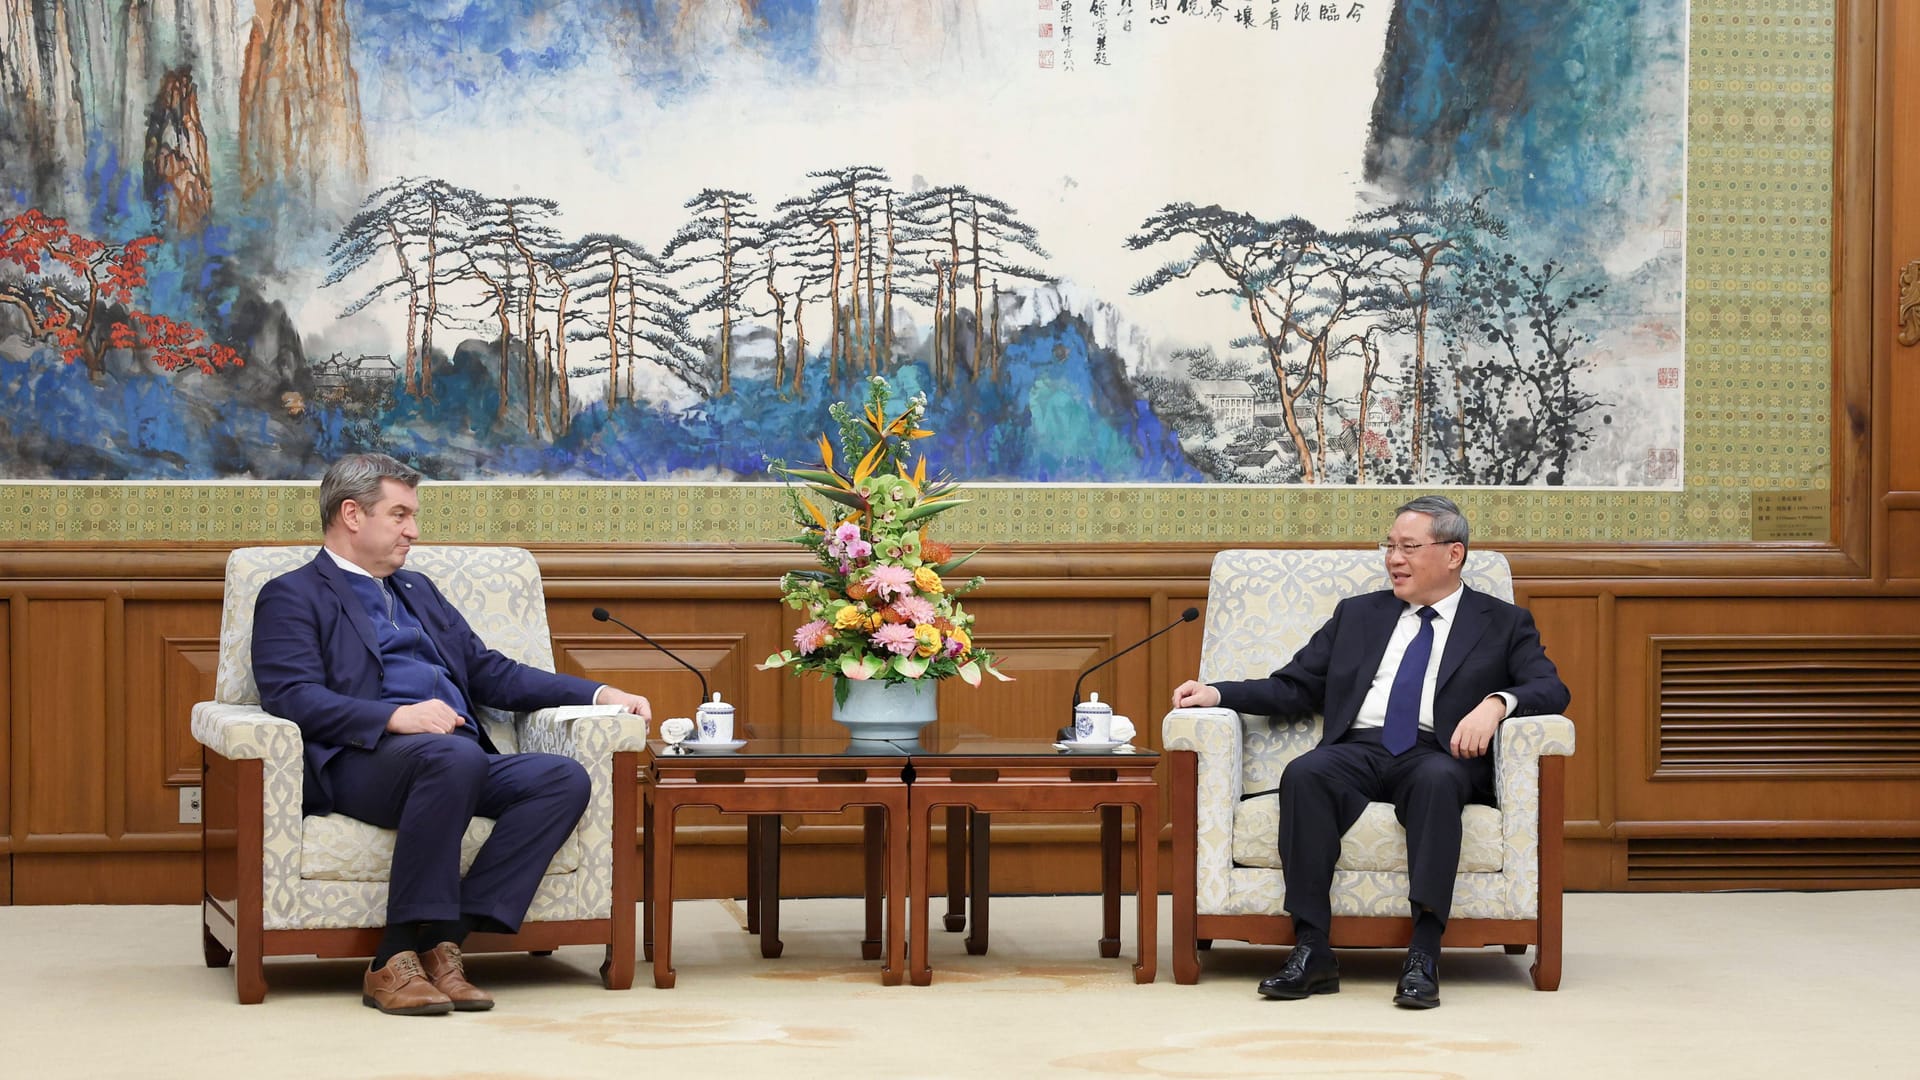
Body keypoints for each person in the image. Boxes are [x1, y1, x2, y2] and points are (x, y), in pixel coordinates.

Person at [252, 453, 653, 1016]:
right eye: (399, 515)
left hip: (451, 759)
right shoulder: (293, 594)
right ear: (351, 514)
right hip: (362, 762)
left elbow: (490, 672)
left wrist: (596, 693)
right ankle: (391, 958)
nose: (413, 530)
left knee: (560, 778)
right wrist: (394, 717)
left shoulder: (418, 589)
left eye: (411, 516)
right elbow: (290, 695)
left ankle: (445, 944)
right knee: (451, 758)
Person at [1171, 495, 1569, 1009]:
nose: (1394, 559)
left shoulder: (1503, 622)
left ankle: (1424, 954)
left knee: (1437, 781)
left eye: (1409, 547)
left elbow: (1551, 688)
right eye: (1390, 546)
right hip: (1359, 747)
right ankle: (1312, 950)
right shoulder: (1360, 614)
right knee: (1306, 774)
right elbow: (1295, 686)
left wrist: (1495, 704)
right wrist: (1218, 693)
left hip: (1436, 751)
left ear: (1454, 555)